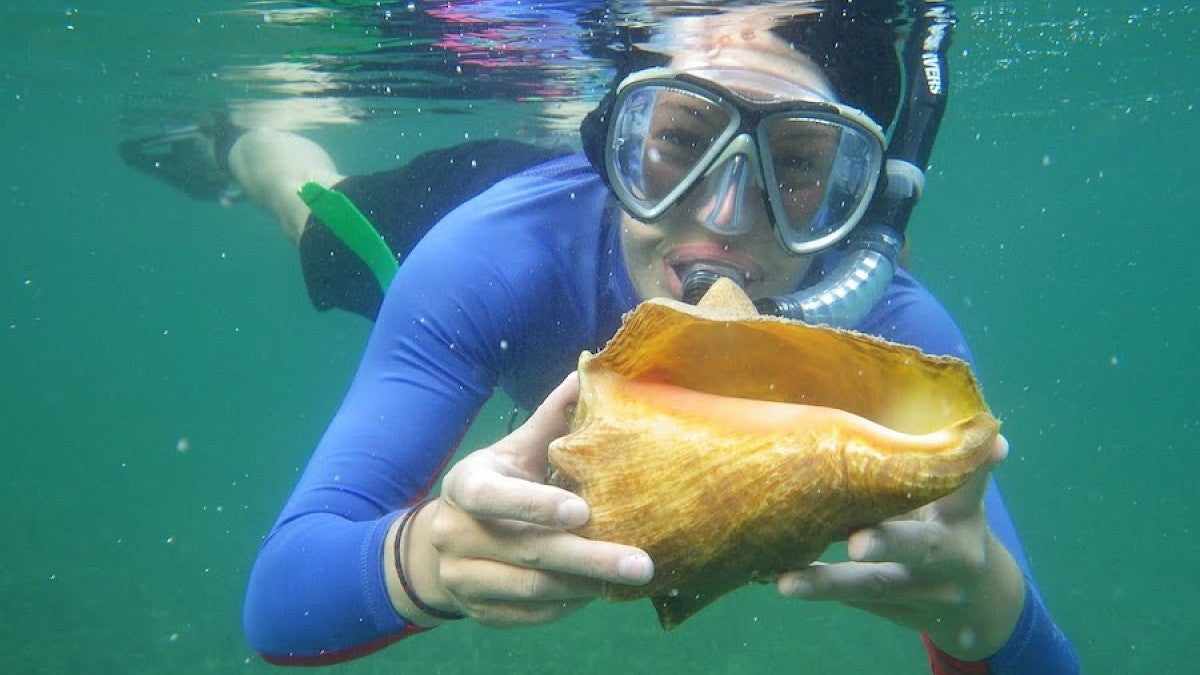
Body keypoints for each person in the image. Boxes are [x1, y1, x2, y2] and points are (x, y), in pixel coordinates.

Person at [120, 3, 1079, 672]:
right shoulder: (487, 259)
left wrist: (982, 599)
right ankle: (252, 141)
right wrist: (426, 559)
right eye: (676, 139)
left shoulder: (891, 332)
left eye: (796, 164)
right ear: (613, 141)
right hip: (471, 207)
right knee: (315, 221)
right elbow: (279, 599)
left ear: (856, 197)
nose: (723, 218)